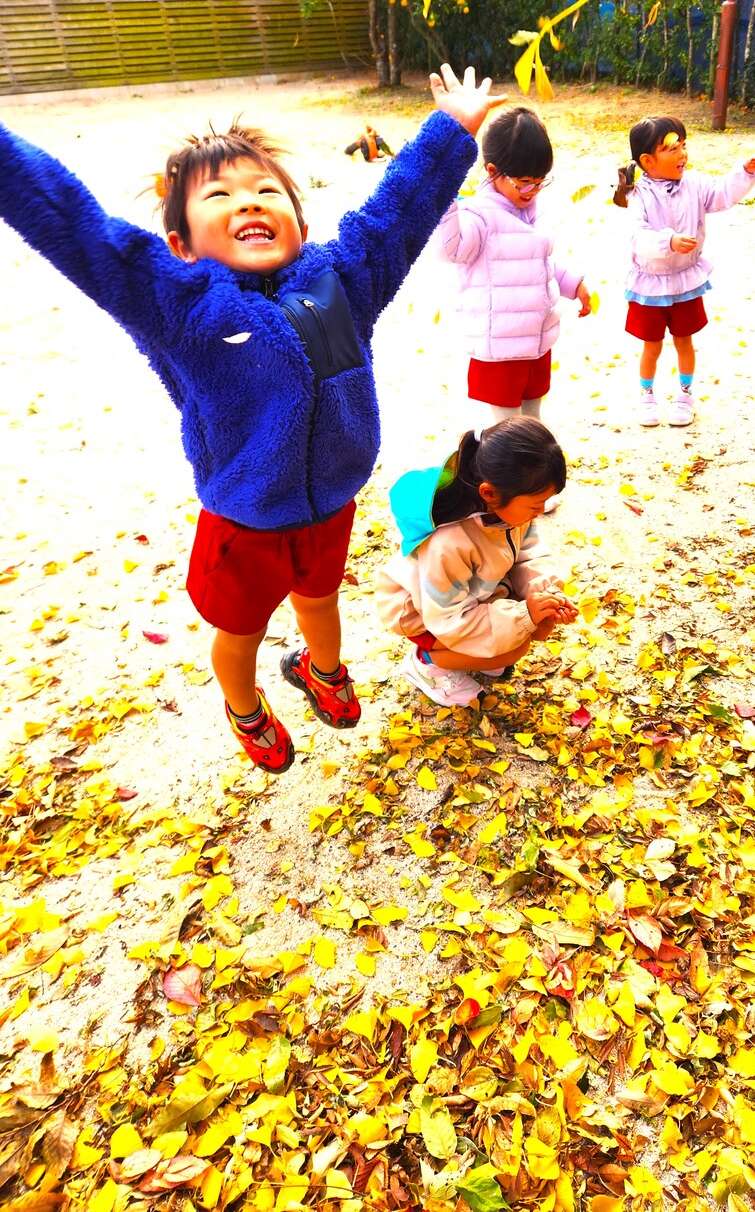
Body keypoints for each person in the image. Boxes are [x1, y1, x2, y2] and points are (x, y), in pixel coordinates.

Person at [0, 64, 503, 772]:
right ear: (180, 242)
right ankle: (245, 706)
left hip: (330, 505)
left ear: (299, 220)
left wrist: (451, 130)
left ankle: (322, 670)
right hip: (244, 520)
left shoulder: (341, 281)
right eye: (221, 195)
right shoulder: (179, 305)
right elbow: (84, 234)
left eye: (268, 191)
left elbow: (395, 218)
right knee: (239, 631)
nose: (251, 202)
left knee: (321, 600)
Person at [375, 417, 578, 708]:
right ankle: (427, 663)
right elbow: (447, 619)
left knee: (538, 624)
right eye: (535, 505)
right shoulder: (449, 541)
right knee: (515, 646)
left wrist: (545, 591)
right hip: (424, 614)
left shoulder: (509, 512)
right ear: (489, 493)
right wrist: (523, 616)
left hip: (473, 594)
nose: (540, 512)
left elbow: (528, 554)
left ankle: (478, 651)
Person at [438, 106, 591, 430]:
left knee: (532, 419)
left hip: (535, 341)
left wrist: (572, 284)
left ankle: (529, 476)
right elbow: (452, 251)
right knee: (506, 428)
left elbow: (540, 263)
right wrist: (445, 202)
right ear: (493, 171)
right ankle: (507, 477)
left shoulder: (533, 207)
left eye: (539, 182)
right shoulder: (479, 216)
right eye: (524, 183)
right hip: (501, 347)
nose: (532, 190)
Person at [615, 116, 755, 428]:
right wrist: (668, 241)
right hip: (650, 284)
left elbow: (722, 194)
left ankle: (685, 395)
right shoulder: (637, 193)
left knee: (685, 341)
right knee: (651, 345)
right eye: (672, 148)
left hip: (685, 281)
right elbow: (638, 237)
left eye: (684, 145)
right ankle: (646, 395)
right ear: (647, 160)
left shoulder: (694, 184)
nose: (682, 153)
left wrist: (745, 173)